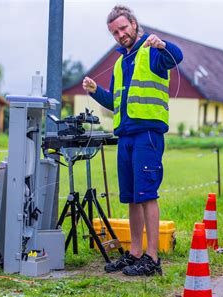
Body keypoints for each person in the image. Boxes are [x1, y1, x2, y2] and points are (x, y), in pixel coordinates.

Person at [82, 5, 183, 276]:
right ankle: (135, 252)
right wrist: (94, 92)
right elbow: (116, 103)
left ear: (135, 24)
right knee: (132, 197)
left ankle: (152, 258)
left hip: (148, 134)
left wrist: (162, 44)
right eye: (114, 32)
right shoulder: (119, 63)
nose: (120, 34)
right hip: (125, 135)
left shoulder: (152, 52)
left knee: (147, 194)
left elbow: (177, 57)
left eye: (123, 28)